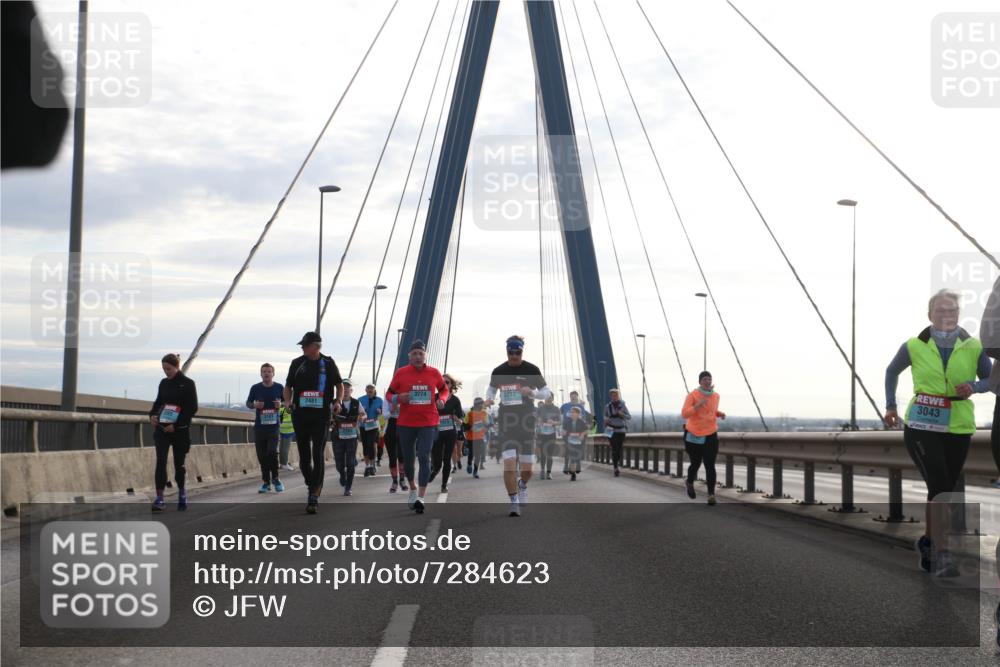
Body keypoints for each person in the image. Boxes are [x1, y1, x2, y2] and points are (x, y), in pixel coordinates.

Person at [884, 289, 993, 576]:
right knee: (942, 486)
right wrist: (890, 406)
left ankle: (929, 543)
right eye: (942, 311)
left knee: (941, 489)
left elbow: (992, 379)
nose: (948, 315)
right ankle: (943, 552)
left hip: (957, 424)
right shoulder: (914, 345)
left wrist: (975, 386)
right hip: (921, 423)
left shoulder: (973, 345)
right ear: (930, 314)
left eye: (953, 311)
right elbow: (891, 371)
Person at [484, 335, 552, 517]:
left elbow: (547, 393)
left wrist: (532, 392)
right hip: (506, 422)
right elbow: (491, 389)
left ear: (522, 350)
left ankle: (522, 485)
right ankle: (513, 500)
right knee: (509, 465)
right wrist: (489, 398)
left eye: (517, 352)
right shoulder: (499, 371)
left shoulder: (532, 369)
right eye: (510, 352)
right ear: (506, 351)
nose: (514, 355)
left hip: (527, 423)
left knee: (527, 470)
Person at [385, 340, 450, 514]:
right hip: (406, 423)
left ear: (425, 355)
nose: (418, 356)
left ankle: (421, 496)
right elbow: (389, 393)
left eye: (421, 353)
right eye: (414, 354)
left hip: (428, 422)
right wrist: (398, 399)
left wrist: (442, 399)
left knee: (423, 456)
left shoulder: (434, 373)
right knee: (408, 460)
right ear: (409, 356)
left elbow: (444, 390)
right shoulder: (401, 373)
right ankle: (412, 489)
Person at [283, 331, 344, 514]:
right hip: (300, 415)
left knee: (317, 453)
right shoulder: (297, 363)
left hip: (321, 416)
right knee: (304, 458)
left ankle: (314, 495)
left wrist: (338, 401)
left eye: (305, 345)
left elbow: (339, 385)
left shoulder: (328, 362)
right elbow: (288, 386)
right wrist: (287, 401)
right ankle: (312, 484)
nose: (302, 348)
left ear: (316, 346)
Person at [149, 353, 198, 511]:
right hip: (162, 429)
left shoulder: (188, 383)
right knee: (161, 462)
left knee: (179, 464)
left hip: (180, 430)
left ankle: (182, 493)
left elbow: (192, 408)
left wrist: (176, 425)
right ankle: (159, 498)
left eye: (169, 369)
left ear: (177, 367)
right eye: (164, 369)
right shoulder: (163, 383)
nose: (166, 372)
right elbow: (158, 402)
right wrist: (152, 415)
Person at [681, 372, 726, 505]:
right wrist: (698, 405)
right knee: (696, 463)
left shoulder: (716, 396)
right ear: (700, 381)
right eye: (705, 379)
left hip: (710, 434)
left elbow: (711, 411)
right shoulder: (692, 395)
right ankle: (689, 482)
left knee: (710, 465)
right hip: (693, 434)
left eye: (709, 379)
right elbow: (684, 413)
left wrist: (719, 413)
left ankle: (711, 495)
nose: (707, 381)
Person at [245, 363, 284, 494]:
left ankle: (276, 479)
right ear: (260, 374)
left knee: (271, 453)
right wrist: (255, 404)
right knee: (262, 456)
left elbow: (287, 402)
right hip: (260, 428)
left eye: (269, 371)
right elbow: (248, 403)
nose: (266, 374)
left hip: (274, 427)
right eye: (264, 371)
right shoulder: (255, 388)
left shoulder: (279, 387)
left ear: (273, 374)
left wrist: (281, 404)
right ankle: (266, 482)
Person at [430, 374, 464, 492]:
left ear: (451, 385)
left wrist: (457, 419)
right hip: (437, 432)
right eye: (442, 382)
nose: (444, 384)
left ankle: (444, 485)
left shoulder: (455, 400)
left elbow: (461, 419)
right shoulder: (433, 397)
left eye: (447, 382)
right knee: (437, 461)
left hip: (450, 432)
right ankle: (435, 470)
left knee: (447, 459)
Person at [332, 380, 360, 496]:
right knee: (339, 464)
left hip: (352, 437)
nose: (346, 390)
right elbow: (328, 416)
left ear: (351, 390)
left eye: (348, 388)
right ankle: (342, 474)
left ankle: (348, 487)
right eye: (344, 387)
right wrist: (331, 421)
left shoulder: (356, 403)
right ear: (340, 390)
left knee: (350, 463)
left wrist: (363, 417)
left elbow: (363, 414)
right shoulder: (334, 403)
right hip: (337, 437)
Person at [358, 384, 385, 478]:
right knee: (365, 446)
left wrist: (382, 426)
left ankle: (373, 464)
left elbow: (383, 415)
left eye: (372, 388)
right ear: (365, 390)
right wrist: (360, 414)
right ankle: (367, 466)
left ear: (374, 390)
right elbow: (357, 413)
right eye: (368, 388)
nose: (370, 390)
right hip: (363, 426)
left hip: (374, 426)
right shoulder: (360, 399)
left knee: (372, 444)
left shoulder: (379, 400)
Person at [604, 388, 632, 477]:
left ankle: (616, 464)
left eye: (615, 395)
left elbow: (629, 417)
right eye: (612, 395)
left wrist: (622, 414)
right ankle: (615, 468)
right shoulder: (607, 406)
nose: (614, 397)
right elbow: (604, 417)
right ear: (610, 396)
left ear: (618, 396)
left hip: (621, 430)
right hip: (610, 430)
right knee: (614, 449)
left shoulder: (623, 405)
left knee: (619, 450)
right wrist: (606, 419)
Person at [383, 393, 407, 493]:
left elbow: (410, 413)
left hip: (403, 427)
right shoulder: (387, 397)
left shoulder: (406, 395)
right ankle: (394, 482)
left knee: (402, 457)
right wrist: (391, 410)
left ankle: (402, 480)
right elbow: (384, 415)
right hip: (390, 428)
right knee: (393, 457)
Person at [535, 395, 561, 480]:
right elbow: (535, 419)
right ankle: (542, 470)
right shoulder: (540, 408)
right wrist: (538, 421)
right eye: (547, 397)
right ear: (544, 399)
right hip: (541, 434)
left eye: (550, 397)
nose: (548, 399)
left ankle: (549, 473)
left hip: (551, 434)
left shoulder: (556, 409)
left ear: (552, 399)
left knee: (550, 454)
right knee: (543, 454)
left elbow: (560, 422)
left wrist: (554, 422)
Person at [463, 397, 489, 478]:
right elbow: (464, 425)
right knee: (471, 453)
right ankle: (469, 464)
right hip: (471, 437)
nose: (482, 405)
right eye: (481, 404)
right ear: (477, 405)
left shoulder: (484, 413)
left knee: (478, 454)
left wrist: (485, 426)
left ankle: (475, 471)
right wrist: (470, 427)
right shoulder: (469, 414)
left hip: (480, 437)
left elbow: (486, 424)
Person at [563, 406, 588, 481]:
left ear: (578, 413)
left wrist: (582, 434)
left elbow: (586, 430)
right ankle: (573, 474)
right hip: (570, 441)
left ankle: (575, 467)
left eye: (573, 412)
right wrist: (569, 434)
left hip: (579, 442)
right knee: (573, 457)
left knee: (577, 457)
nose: (571, 413)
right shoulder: (567, 421)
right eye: (571, 412)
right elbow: (563, 432)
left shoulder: (582, 422)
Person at [278, 403, 295, 471]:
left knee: (281, 448)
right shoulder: (290, 406)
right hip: (288, 429)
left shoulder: (281, 406)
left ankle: (282, 463)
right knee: (285, 449)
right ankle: (284, 464)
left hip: (281, 428)